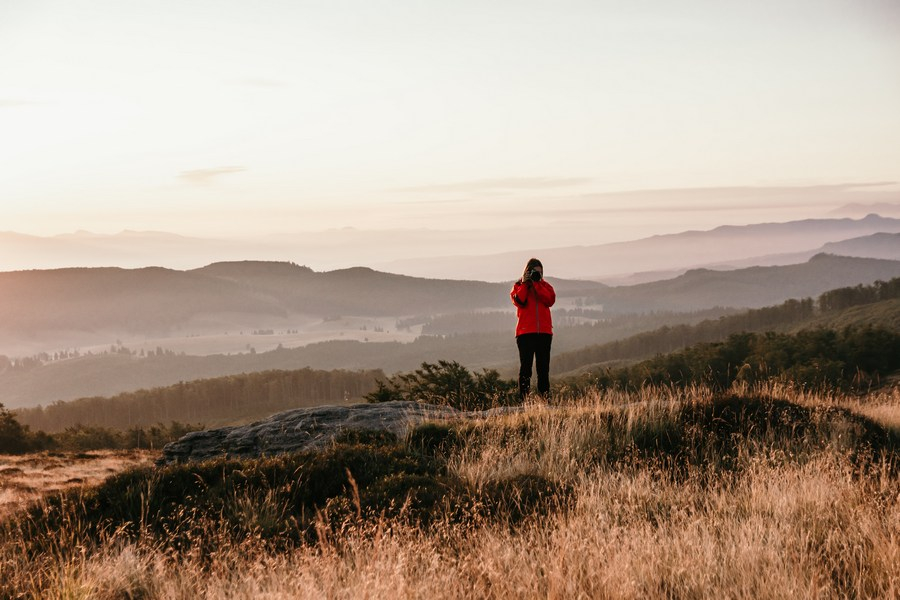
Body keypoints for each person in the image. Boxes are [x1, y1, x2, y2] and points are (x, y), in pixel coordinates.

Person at [510, 258, 556, 400]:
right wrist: (525, 284)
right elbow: (520, 302)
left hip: (544, 333)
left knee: (543, 369)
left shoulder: (546, 286)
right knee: (526, 369)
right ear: (527, 272)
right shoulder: (518, 286)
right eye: (534, 272)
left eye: (540, 273)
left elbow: (549, 300)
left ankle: (544, 399)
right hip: (525, 333)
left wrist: (537, 285)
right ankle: (524, 400)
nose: (538, 275)